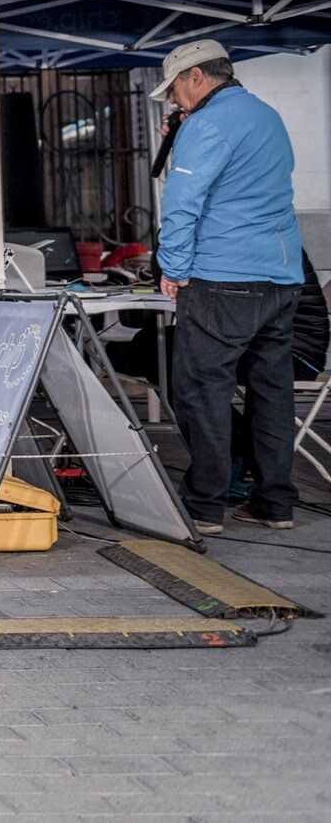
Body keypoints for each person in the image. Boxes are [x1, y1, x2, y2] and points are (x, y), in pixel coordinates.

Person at [153, 39, 304, 535]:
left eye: (175, 88)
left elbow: (182, 202)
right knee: (272, 393)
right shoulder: (267, 116)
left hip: (223, 278)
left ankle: (204, 505)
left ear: (196, 76)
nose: (174, 100)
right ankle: (274, 503)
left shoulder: (207, 123)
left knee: (201, 391)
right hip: (280, 278)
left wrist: (172, 268)